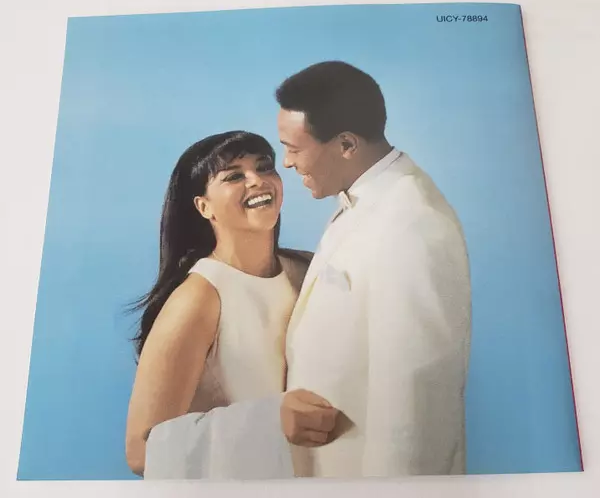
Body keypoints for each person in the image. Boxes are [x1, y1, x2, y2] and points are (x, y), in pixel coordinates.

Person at [276, 61, 472, 477]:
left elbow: (416, 406)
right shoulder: (367, 196)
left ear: (346, 144)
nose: (286, 163)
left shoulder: (412, 223)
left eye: (293, 148)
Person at [125, 131, 320, 479]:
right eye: (233, 176)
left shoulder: (309, 270)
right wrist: (270, 422)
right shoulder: (199, 298)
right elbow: (141, 451)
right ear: (204, 207)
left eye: (265, 167)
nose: (257, 180)